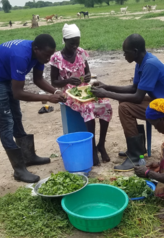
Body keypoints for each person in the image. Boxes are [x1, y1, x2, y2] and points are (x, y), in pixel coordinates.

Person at [91, 34, 164, 172]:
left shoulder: (150, 64)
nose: (124, 55)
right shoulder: (141, 62)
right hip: (161, 103)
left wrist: (106, 94)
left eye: (126, 52)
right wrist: (106, 86)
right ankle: (138, 148)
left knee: (125, 107)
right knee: (124, 101)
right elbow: (134, 88)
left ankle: (135, 157)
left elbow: (137, 97)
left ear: (135, 51)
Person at [0, 34, 66, 183]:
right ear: (36, 49)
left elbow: (38, 79)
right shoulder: (20, 56)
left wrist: (56, 92)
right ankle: (19, 170)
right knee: (6, 121)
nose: (48, 59)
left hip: (6, 75)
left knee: (16, 116)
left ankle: (28, 157)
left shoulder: (39, 55)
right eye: (46, 55)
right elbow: (18, 93)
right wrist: (47, 98)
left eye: (50, 55)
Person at [50, 24, 112, 166]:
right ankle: (91, 147)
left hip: (84, 89)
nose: (75, 46)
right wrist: (68, 80)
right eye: (72, 43)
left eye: (77, 43)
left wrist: (88, 77)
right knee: (89, 107)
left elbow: (87, 73)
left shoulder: (81, 53)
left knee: (106, 104)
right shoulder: (56, 58)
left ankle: (101, 144)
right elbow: (54, 82)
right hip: (69, 93)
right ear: (64, 40)